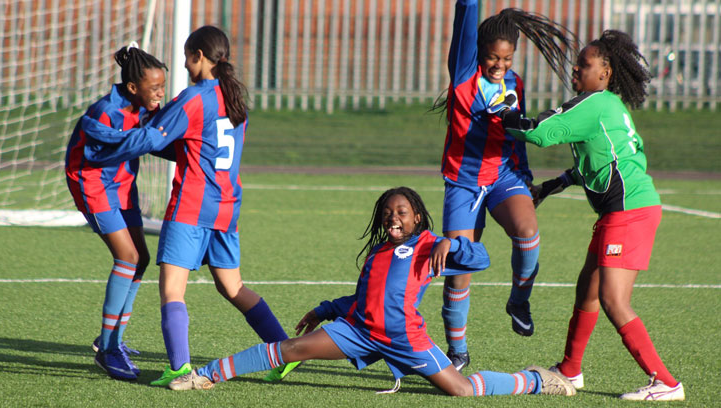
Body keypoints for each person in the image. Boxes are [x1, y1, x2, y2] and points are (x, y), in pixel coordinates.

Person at [165, 187, 577, 397]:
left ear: (417, 215)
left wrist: (455, 244)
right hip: (359, 329)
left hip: (406, 337)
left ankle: (537, 382)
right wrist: (325, 308)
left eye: (401, 212)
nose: (394, 217)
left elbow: (482, 258)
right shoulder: (379, 252)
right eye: (388, 213)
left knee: (462, 390)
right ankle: (207, 374)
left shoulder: (430, 244)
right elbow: (365, 299)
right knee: (291, 349)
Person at [79, 25, 298, 386]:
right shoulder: (235, 97)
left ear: (198, 56)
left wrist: (103, 141)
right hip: (227, 206)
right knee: (233, 288)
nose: (184, 65)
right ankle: (286, 350)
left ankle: (179, 367)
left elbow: (151, 137)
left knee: (172, 290)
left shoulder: (194, 98)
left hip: (192, 207)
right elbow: (189, 147)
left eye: (186, 56)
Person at [491, 30, 684, 401]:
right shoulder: (609, 107)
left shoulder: (593, 103)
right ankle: (570, 370)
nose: (576, 69)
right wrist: (554, 184)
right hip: (626, 210)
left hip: (628, 213)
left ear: (606, 72)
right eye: (577, 63)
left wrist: (500, 112)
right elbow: (599, 165)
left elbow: (539, 132)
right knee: (588, 291)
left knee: (613, 300)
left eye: (585, 64)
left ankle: (666, 383)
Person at [434, 0, 577, 371]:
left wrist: (526, 177)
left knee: (528, 232)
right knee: (460, 265)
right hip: (464, 182)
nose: (500, 65)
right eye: (494, 58)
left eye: (508, 58)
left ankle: (519, 300)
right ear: (479, 53)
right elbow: (465, 18)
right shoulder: (465, 72)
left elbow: (516, 136)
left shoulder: (514, 83)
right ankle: (458, 350)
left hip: (502, 176)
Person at [65, 42, 167, 381]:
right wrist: (150, 138)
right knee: (126, 256)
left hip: (122, 184)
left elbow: (154, 136)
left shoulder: (142, 106)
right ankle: (107, 350)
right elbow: (98, 155)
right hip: (92, 184)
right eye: (155, 88)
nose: (160, 94)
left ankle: (113, 340)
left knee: (141, 258)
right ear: (134, 87)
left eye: (162, 87)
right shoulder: (103, 111)